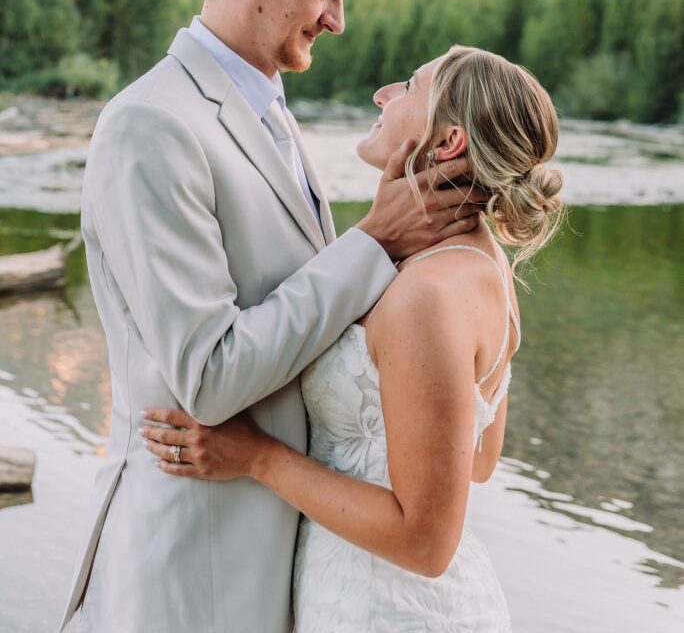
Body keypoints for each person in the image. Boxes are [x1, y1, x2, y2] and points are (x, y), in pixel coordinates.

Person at [59, 0, 483, 633]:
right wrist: (373, 241)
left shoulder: (271, 113)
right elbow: (209, 376)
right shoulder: (151, 125)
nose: (337, 20)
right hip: (192, 572)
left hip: (296, 566)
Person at [140, 44, 564, 632]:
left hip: (385, 611)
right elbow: (479, 460)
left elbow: (424, 544)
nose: (383, 93)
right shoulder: (488, 267)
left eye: (409, 87)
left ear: (448, 144)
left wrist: (257, 457)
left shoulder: (427, 295)